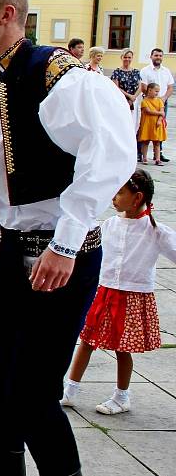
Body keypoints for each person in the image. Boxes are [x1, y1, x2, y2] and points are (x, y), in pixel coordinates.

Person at [0, 0, 135, 476]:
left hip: (63, 255)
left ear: (8, 15)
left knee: (33, 395)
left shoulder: (57, 75)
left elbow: (112, 149)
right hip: (13, 250)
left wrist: (67, 240)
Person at [62, 169, 172, 415]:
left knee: (122, 348)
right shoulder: (109, 225)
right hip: (104, 292)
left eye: (119, 192)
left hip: (133, 295)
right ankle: (69, 389)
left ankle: (122, 396)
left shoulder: (155, 230)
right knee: (87, 341)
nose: (113, 197)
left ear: (137, 197)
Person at [141, 48, 174, 162]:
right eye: (156, 55)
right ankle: (142, 154)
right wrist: (152, 99)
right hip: (149, 102)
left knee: (160, 128)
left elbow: (170, 87)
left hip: (163, 102)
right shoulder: (145, 70)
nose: (158, 57)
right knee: (146, 128)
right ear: (151, 56)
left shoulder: (166, 71)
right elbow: (144, 87)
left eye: (160, 55)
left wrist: (164, 98)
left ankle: (158, 154)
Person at [138, 83, 167, 165]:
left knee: (157, 142)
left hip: (157, 125)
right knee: (145, 142)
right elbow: (148, 111)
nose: (157, 93)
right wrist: (159, 113)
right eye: (156, 91)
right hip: (147, 124)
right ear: (149, 90)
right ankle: (144, 158)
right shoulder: (144, 101)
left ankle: (157, 159)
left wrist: (159, 120)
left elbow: (163, 113)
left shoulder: (159, 101)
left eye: (158, 91)